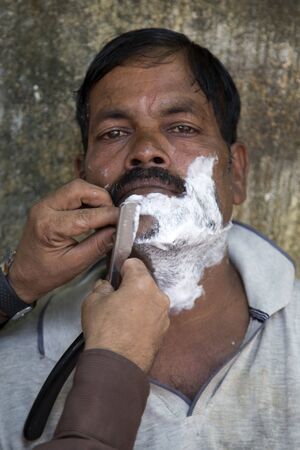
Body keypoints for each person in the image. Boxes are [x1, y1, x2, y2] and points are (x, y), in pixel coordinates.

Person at [0, 28, 299, 450]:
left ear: (236, 174)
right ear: (83, 175)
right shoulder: (12, 353)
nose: (146, 150)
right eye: (115, 133)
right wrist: (12, 288)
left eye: (180, 126)